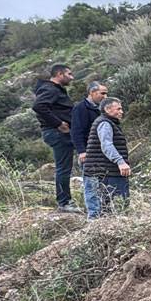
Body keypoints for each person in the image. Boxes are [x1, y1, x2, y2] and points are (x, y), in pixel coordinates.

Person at [32, 63, 79, 212]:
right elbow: (38, 106)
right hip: (57, 133)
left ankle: (65, 201)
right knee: (63, 169)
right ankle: (64, 203)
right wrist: (58, 123)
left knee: (66, 167)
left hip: (60, 132)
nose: (72, 77)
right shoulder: (50, 89)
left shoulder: (54, 90)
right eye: (69, 74)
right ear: (59, 74)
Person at [82, 97, 131, 218]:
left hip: (101, 171)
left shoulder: (107, 122)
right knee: (107, 211)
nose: (121, 112)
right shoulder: (105, 123)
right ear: (107, 109)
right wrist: (120, 161)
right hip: (103, 173)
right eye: (118, 109)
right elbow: (106, 145)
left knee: (106, 211)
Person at [71, 81, 108, 210]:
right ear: (92, 92)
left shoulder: (102, 109)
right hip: (89, 152)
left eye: (106, 94)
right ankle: (94, 215)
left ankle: (105, 210)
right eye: (102, 93)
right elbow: (76, 131)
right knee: (91, 185)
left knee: (104, 183)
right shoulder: (80, 108)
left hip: (103, 152)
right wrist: (82, 151)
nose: (105, 96)